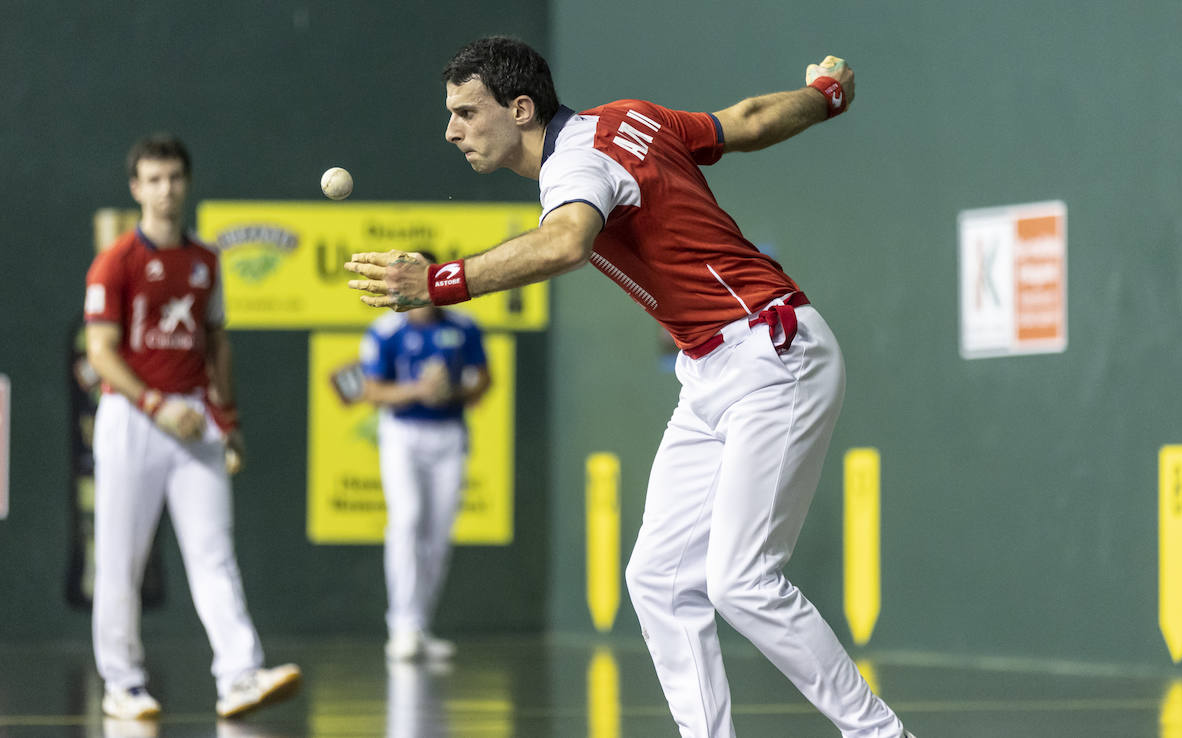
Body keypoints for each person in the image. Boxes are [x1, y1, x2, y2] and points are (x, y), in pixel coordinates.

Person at [346, 37, 914, 738]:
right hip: (712, 368)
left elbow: (564, 244)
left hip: (772, 354)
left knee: (741, 581)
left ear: (521, 109)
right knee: (659, 579)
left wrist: (436, 282)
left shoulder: (576, 165)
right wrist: (826, 96)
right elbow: (750, 120)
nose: (451, 129)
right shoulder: (628, 119)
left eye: (466, 111)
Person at [84, 134, 301, 720]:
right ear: (136, 189)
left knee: (214, 555)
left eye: (174, 177)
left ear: (187, 182)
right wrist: (156, 406)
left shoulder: (206, 260)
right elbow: (101, 352)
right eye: (153, 180)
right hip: (133, 419)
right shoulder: (116, 262)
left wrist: (224, 418)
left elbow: (215, 341)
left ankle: (239, 676)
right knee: (121, 559)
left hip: (195, 422)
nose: (165, 189)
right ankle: (123, 684)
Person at [358, 258, 492, 661]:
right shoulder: (386, 331)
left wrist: (453, 390)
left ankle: (419, 625)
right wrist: (418, 390)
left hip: (449, 436)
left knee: (437, 536)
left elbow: (483, 378)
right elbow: (372, 391)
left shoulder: (463, 327)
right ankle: (401, 626)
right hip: (402, 435)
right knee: (407, 519)